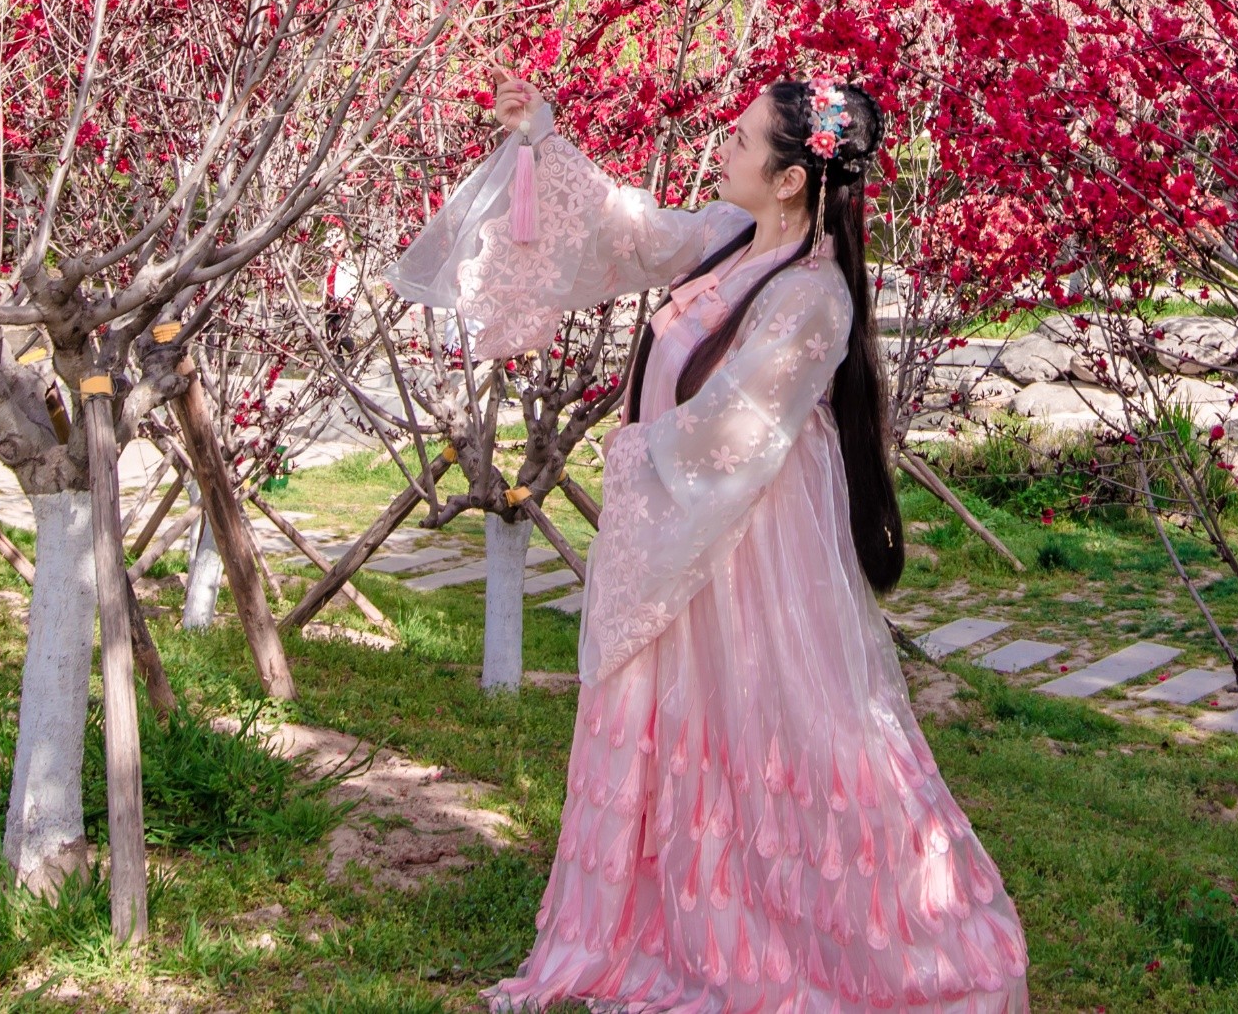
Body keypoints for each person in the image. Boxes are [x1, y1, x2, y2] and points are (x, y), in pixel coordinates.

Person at [393, 76, 1029, 1014]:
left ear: (790, 181)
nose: (720, 150)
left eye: (740, 140)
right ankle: (674, 922)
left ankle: (861, 943)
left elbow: (733, 429)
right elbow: (635, 234)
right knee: (694, 719)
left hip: (755, 545)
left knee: (795, 724)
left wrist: (636, 449)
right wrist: (545, 139)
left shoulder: (813, 296)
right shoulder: (730, 238)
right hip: (690, 529)